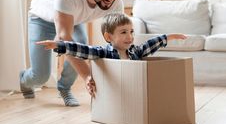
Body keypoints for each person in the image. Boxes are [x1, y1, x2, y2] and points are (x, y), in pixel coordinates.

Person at [20, 0, 124, 106]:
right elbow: (64, 39)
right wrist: (88, 76)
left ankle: (64, 88)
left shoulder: (116, 1)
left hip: (72, 18)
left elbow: (119, 37)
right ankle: (24, 79)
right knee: (41, 76)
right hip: (42, 19)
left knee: (80, 47)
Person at [36, 13, 187, 93]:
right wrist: (59, 45)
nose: (130, 37)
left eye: (131, 32)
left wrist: (168, 37)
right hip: (114, 92)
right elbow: (82, 49)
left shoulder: (135, 52)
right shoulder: (102, 53)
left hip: (133, 90)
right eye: (123, 32)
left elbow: (149, 45)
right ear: (109, 37)